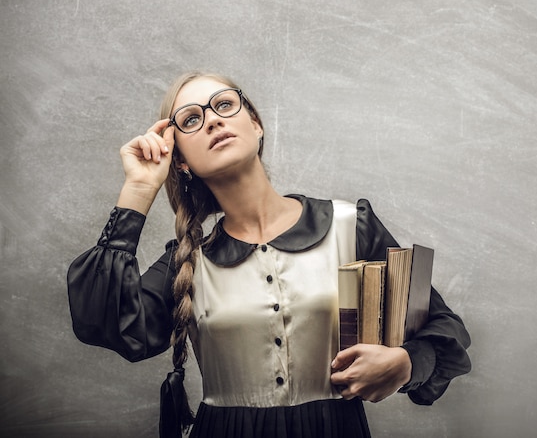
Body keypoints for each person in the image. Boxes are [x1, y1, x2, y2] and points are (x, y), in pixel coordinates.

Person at [67, 71, 471, 438]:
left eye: (224, 104)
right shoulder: (186, 263)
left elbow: (442, 325)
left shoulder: (352, 225)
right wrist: (138, 190)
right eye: (191, 119)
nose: (212, 119)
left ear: (256, 125)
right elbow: (105, 323)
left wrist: (405, 364)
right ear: (183, 161)